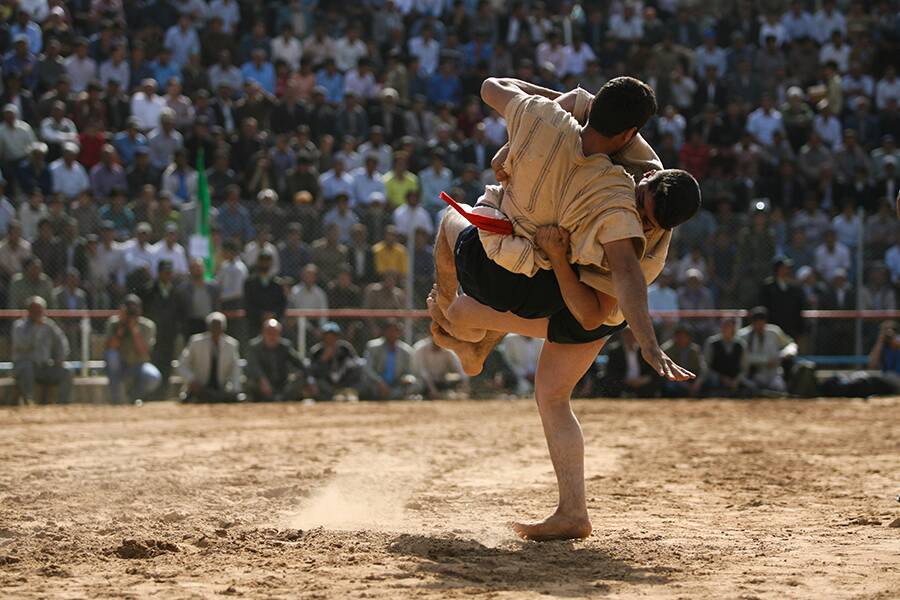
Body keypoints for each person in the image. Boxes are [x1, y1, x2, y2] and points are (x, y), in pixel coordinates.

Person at [430, 76, 699, 541]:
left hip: (587, 307)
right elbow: (577, 103)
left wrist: (648, 341)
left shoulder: (626, 222)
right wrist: (518, 139)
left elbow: (596, 311)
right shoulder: (628, 168)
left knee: (468, 317)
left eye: (647, 217)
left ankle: (461, 332)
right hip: (553, 281)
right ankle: (572, 511)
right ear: (642, 162)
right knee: (543, 389)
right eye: (641, 198)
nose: (640, 212)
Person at [12, 296, 72, 404]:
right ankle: (29, 401)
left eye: (40, 310)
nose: (38, 313)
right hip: (24, 366)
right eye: (34, 310)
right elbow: (23, 345)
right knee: (27, 368)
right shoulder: (19, 326)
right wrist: (36, 328)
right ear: (28, 311)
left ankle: (63, 403)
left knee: (66, 371)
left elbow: (62, 342)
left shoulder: (49, 325)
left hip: (44, 366)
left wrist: (60, 358)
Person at [104, 294, 161, 404]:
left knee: (153, 376)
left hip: (138, 365)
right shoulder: (114, 323)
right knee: (111, 355)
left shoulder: (147, 326)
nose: (131, 312)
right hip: (120, 365)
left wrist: (134, 329)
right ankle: (115, 399)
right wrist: (121, 328)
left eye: (134, 308)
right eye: (129, 308)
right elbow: (111, 347)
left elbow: (144, 353)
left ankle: (134, 398)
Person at [177, 312, 243, 403]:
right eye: (213, 326)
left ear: (224, 328)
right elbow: (182, 364)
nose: (215, 329)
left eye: (218, 326)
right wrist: (191, 381)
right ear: (208, 327)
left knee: (229, 398)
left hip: (221, 388)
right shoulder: (196, 342)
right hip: (199, 388)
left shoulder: (231, 345)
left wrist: (235, 389)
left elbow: (235, 368)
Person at [245, 319, 313, 402]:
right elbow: (253, 367)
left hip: (282, 384)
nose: (272, 336)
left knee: (300, 379)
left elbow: (300, 363)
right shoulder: (254, 347)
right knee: (250, 383)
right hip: (262, 384)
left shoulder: (285, 346)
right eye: (269, 332)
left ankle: (281, 398)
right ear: (263, 332)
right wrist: (262, 380)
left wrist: (310, 379)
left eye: (275, 333)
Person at [739, 307, 797, 394]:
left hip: (773, 374)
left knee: (779, 390)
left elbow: (791, 344)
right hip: (752, 375)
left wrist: (784, 354)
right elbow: (743, 357)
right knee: (750, 390)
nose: (759, 325)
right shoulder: (743, 335)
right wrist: (766, 360)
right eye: (756, 322)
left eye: (761, 322)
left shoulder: (774, 331)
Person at [308, 321, 366, 401]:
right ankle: (332, 396)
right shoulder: (317, 351)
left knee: (361, 367)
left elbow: (356, 364)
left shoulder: (345, 348)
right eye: (327, 336)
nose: (329, 339)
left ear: (337, 337)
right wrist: (323, 360)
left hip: (344, 383)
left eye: (333, 336)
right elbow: (311, 372)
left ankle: (347, 392)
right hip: (327, 385)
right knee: (317, 383)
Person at [363, 319, 416, 400]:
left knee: (416, 384)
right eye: (389, 331)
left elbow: (409, 372)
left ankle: (394, 395)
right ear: (384, 332)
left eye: (395, 331)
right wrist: (380, 382)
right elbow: (368, 369)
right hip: (377, 384)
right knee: (366, 384)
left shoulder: (406, 350)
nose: (392, 334)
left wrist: (406, 378)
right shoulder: (373, 347)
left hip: (396, 384)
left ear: (399, 333)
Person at [703, 319, 751, 398]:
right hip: (716, 379)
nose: (727, 329)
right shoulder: (711, 343)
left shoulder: (741, 345)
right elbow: (706, 366)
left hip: (735, 380)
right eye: (725, 326)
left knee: (751, 388)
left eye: (729, 327)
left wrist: (736, 380)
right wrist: (721, 378)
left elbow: (744, 368)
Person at [412, 335, 468, 399]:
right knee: (417, 386)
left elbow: (461, 370)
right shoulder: (420, 348)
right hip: (424, 382)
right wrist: (433, 390)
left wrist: (465, 385)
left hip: (442, 381)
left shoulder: (448, 349)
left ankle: (448, 395)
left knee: (454, 380)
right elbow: (423, 373)